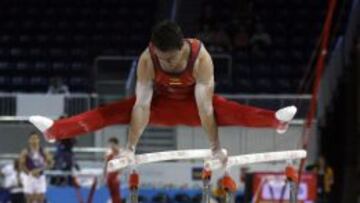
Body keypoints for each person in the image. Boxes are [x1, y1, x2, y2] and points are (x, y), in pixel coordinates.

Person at [29, 20, 297, 167]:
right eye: (161, 58)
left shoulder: (200, 59)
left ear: (182, 48)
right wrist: (130, 147)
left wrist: (215, 147)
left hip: (195, 107)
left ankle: (276, 122)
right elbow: (142, 107)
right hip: (157, 107)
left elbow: (205, 109)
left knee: (229, 109)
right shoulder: (148, 58)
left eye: (169, 59)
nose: (165, 63)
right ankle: (56, 131)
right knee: (110, 111)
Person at [19, 132, 53, 203]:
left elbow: (51, 163)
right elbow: (21, 165)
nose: (34, 140)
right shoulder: (25, 152)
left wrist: (40, 170)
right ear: (29, 140)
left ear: (39, 140)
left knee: (40, 199)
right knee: (30, 199)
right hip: (29, 177)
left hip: (40, 176)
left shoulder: (44, 151)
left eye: (36, 138)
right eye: (32, 138)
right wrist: (30, 173)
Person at [103, 137, 122, 203]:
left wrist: (119, 174)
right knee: (111, 193)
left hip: (116, 174)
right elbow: (105, 165)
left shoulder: (119, 152)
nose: (110, 145)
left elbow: (121, 165)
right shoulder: (108, 152)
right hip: (109, 175)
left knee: (116, 193)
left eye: (111, 144)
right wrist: (104, 176)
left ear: (115, 144)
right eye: (109, 144)